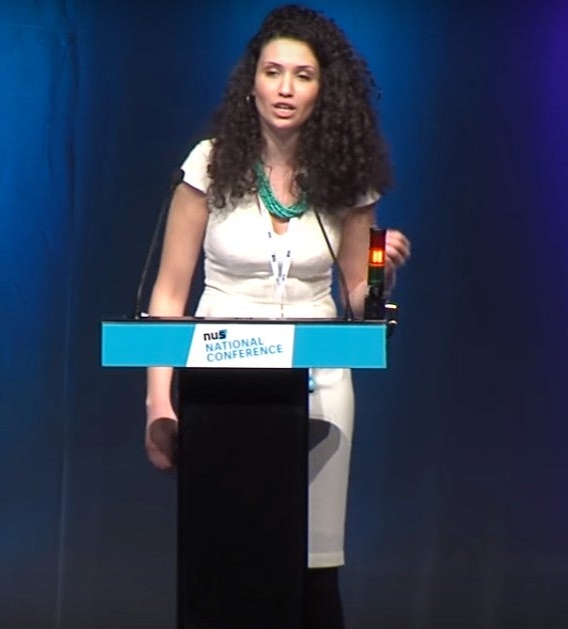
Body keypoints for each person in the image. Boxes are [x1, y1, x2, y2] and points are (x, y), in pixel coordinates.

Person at [143, 5, 411, 627]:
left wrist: (381, 267)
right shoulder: (208, 165)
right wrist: (160, 402)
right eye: (273, 71)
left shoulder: (346, 175)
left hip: (317, 389)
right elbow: (168, 295)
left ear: (325, 88)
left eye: (303, 75)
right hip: (221, 383)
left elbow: (356, 295)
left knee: (311, 567)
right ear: (252, 81)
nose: (286, 88)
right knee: (225, 559)